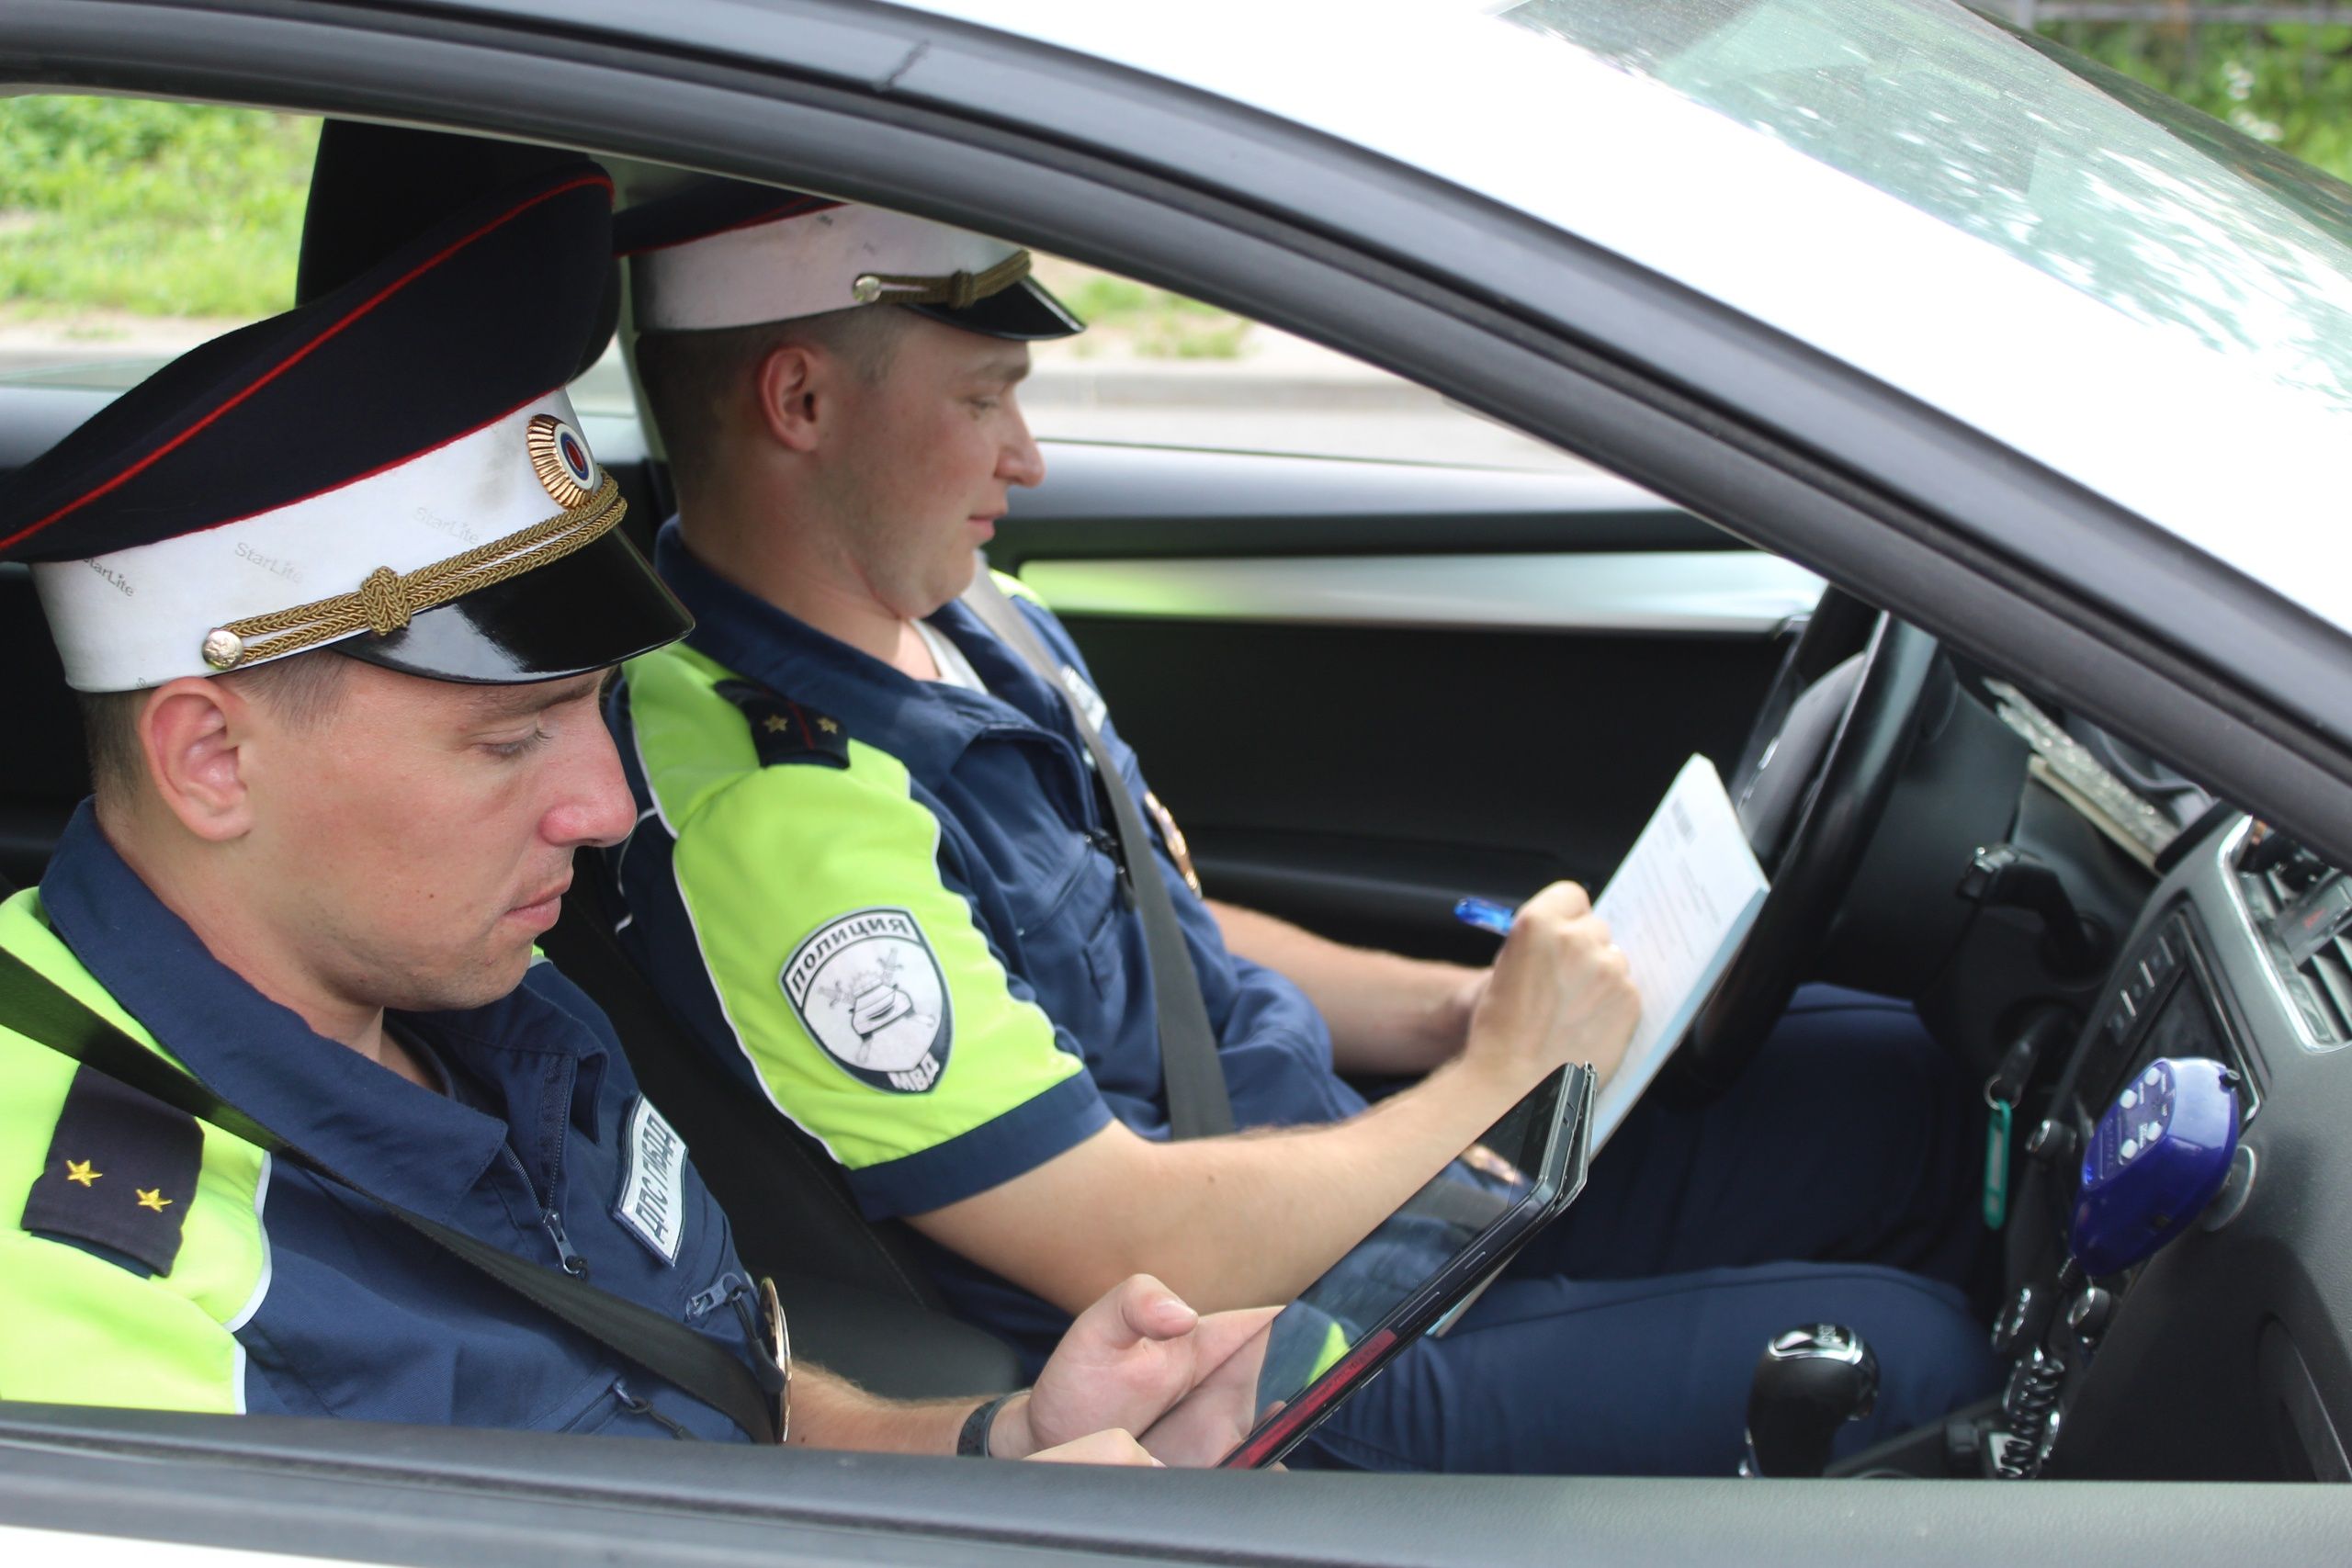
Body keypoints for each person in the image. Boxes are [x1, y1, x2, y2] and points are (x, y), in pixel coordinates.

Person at [605, 179, 1996, 1475]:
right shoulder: (770, 815)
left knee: (1898, 1089)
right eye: (982, 400)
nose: (1026, 457)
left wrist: (1460, 1012)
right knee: (1907, 1352)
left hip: (1343, 1176)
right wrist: (1493, 1080)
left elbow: (1178, 934)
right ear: (798, 399)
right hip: (1257, 1362)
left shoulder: (969, 620)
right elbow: (1133, 1238)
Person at [0, 163, 1273, 1461]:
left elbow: (700, 1390)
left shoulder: (484, 1001)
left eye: (600, 709)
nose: (608, 808)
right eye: (507, 739)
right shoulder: (90, 1296)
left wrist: (994, 1450)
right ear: (210, 759)